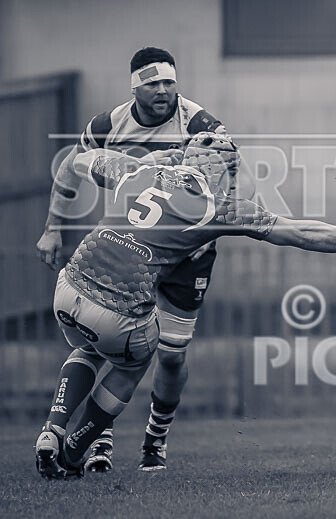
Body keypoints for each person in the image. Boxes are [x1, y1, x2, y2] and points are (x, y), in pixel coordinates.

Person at [35, 132, 336, 479]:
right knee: (133, 362)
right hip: (118, 309)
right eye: (232, 173)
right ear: (222, 172)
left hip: (68, 287)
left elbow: (74, 160)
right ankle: (73, 450)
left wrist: (53, 225)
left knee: (88, 348)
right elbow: (303, 232)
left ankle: (52, 429)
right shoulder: (216, 206)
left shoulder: (136, 169)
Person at [36, 47, 232, 472]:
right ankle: (97, 443)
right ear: (134, 88)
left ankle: (154, 443)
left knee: (172, 354)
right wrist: (53, 228)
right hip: (127, 248)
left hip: (185, 255)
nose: (163, 90)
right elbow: (72, 167)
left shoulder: (199, 124)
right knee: (104, 343)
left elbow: (226, 174)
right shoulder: (107, 124)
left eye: (169, 82)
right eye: (152, 83)